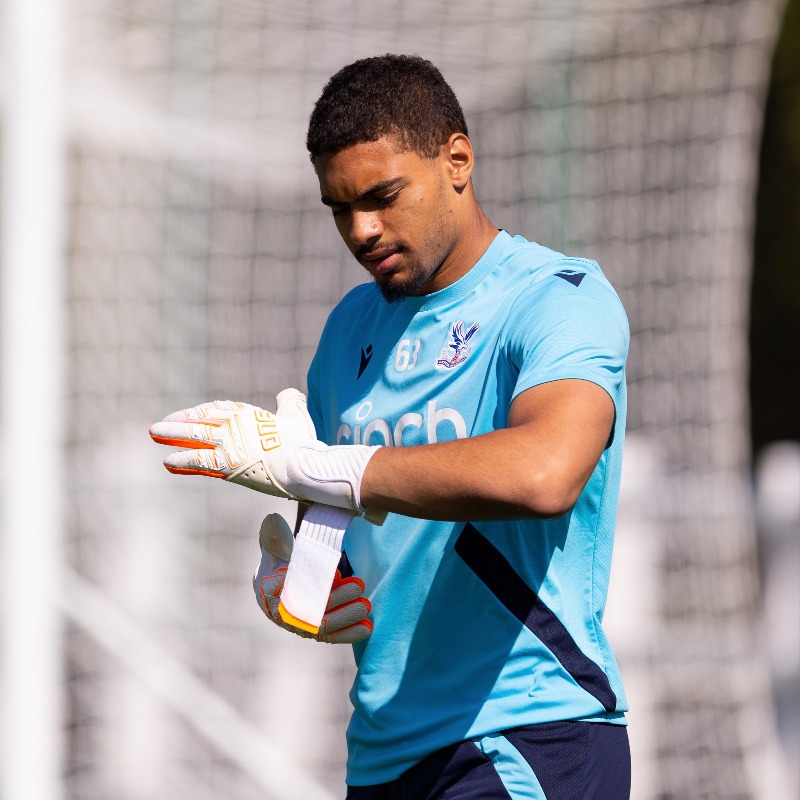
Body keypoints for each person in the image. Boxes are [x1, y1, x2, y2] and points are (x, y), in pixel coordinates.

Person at [151, 54, 631, 799]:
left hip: (526, 732)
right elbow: (343, 521)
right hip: (383, 755)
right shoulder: (350, 327)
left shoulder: (557, 298)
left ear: (458, 161)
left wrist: (331, 469)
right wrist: (300, 588)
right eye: (340, 208)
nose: (362, 230)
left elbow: (545, 474)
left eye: (382, 196)